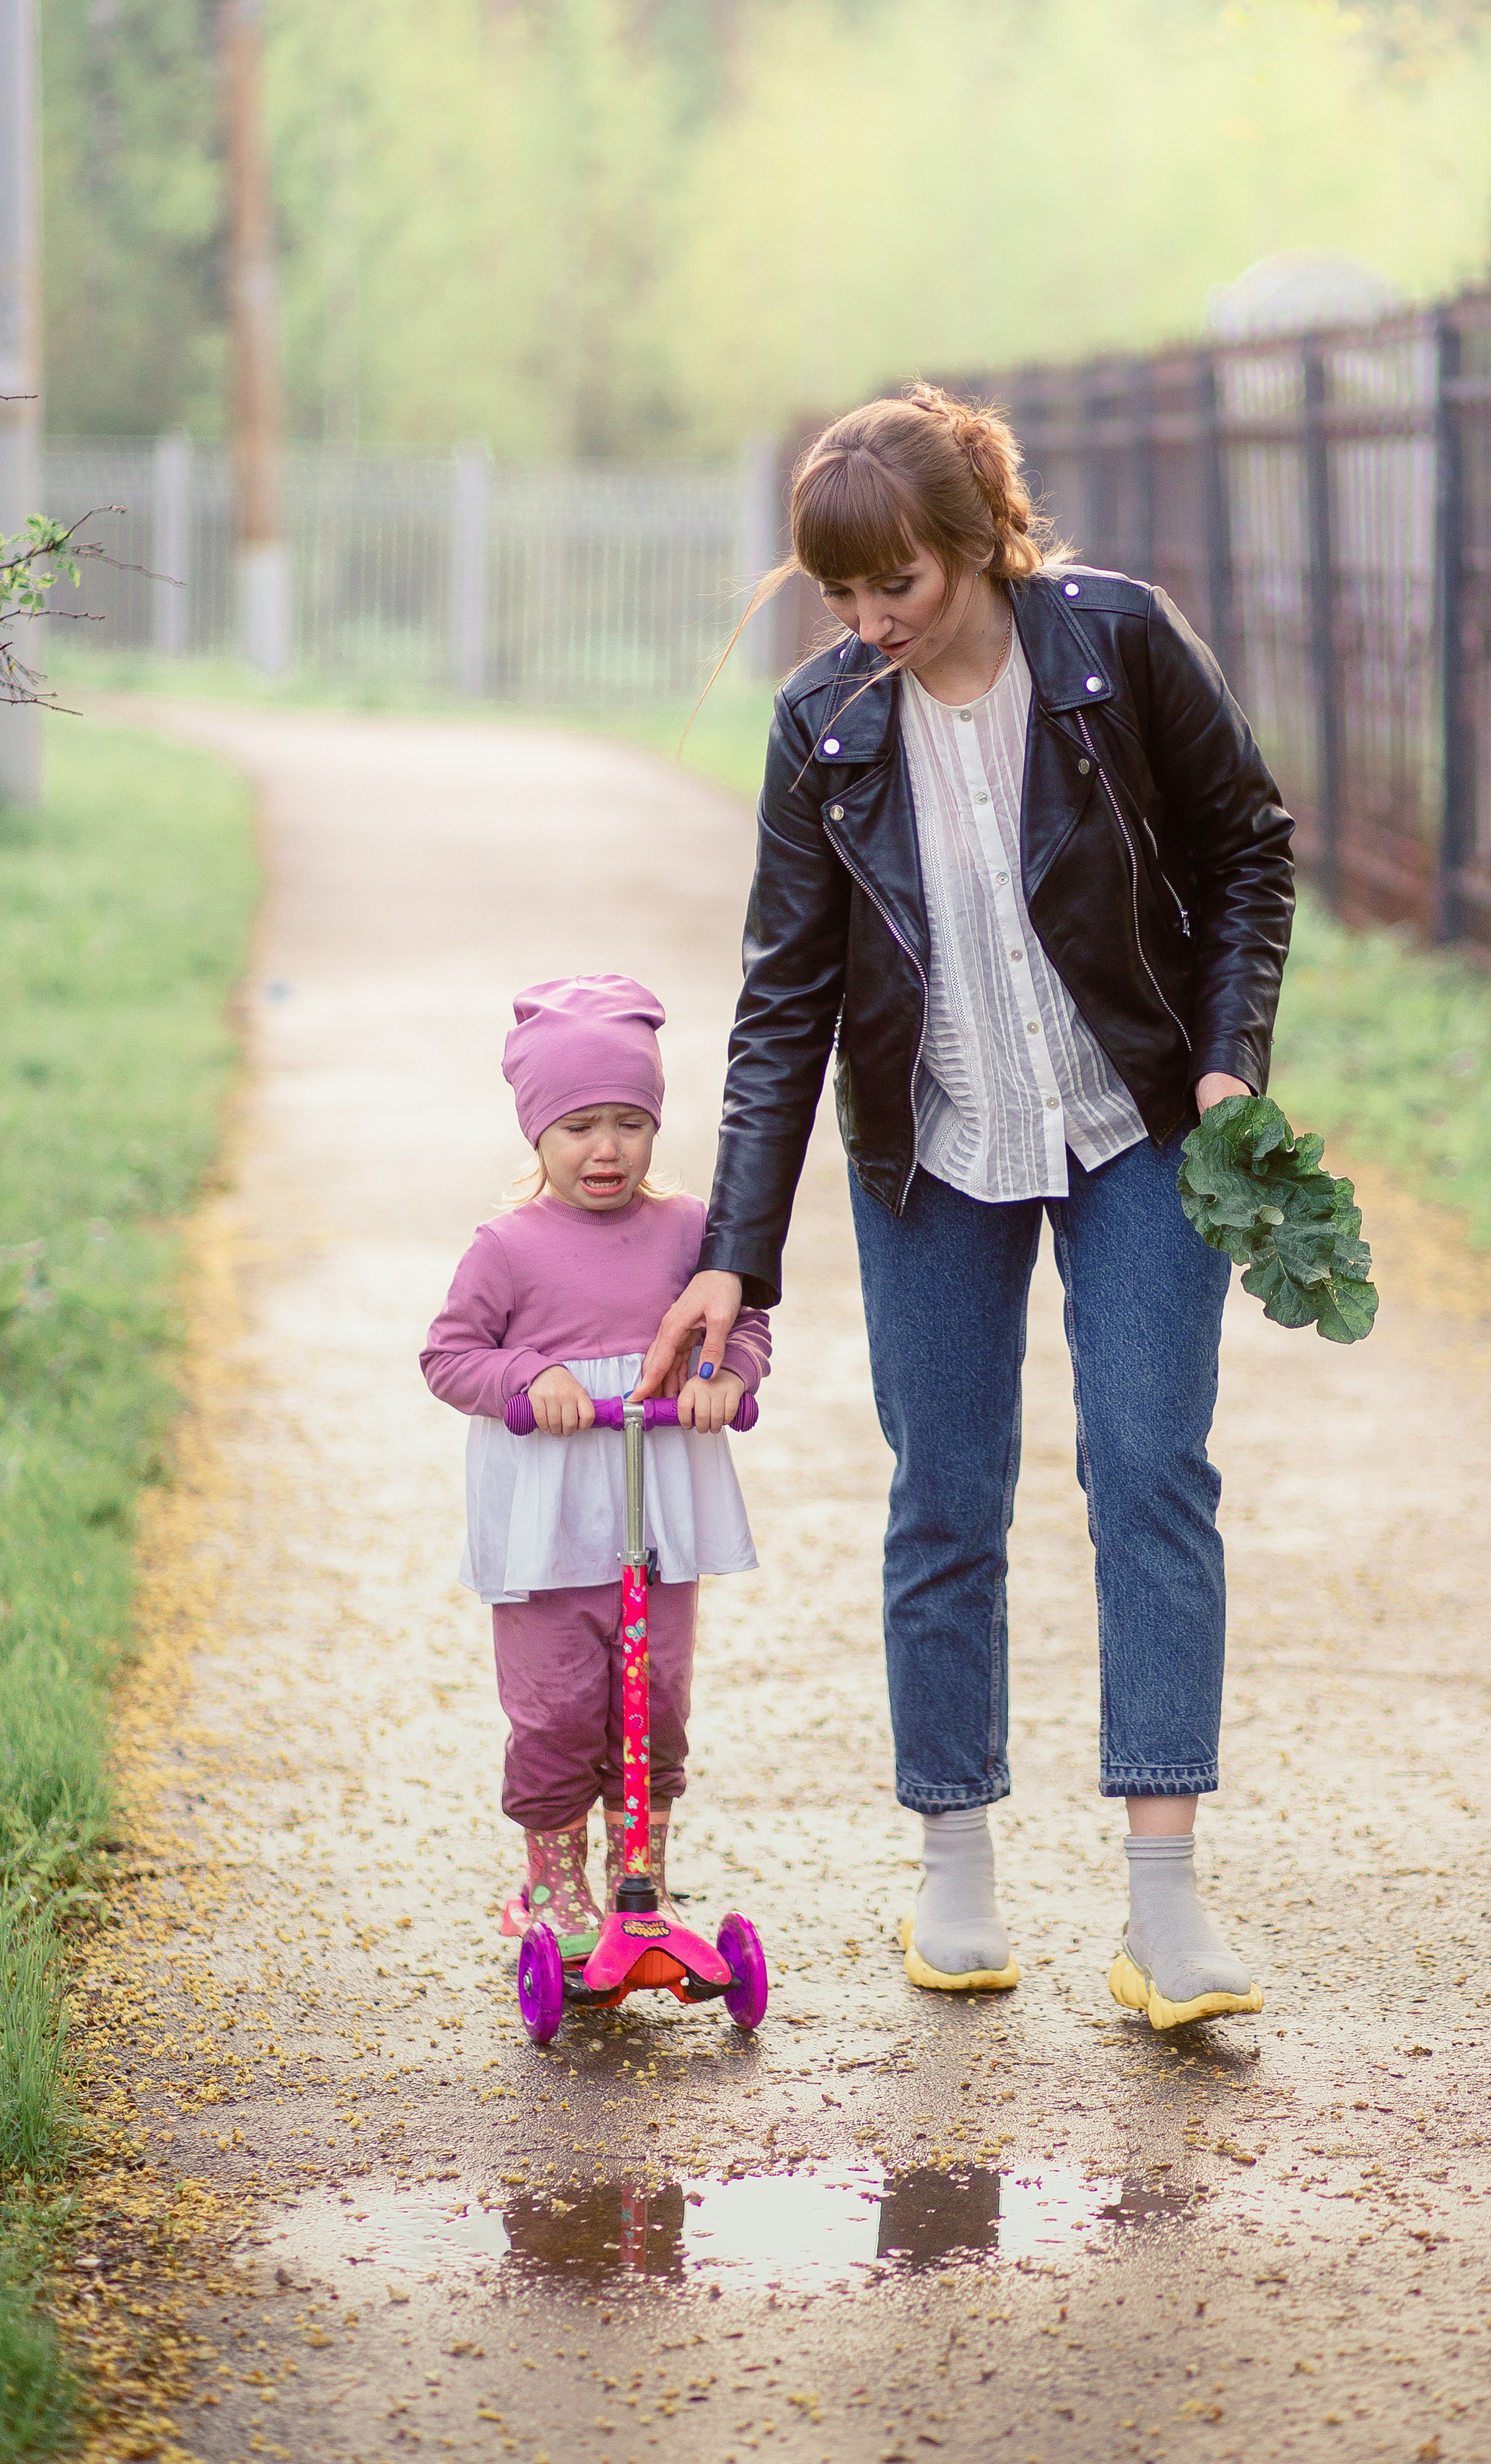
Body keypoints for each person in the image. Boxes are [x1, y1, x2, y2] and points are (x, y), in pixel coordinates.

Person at [639, 386, 1295, 2032]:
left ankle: (1164, 1911)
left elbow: (1245, 853)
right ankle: (958, 1872)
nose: (867, 627)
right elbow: (782, 999)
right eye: (839, 597)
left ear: (980, 542)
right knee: (946, 1496)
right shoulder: (822, 723)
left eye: (898, 591)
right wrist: (735, 1252)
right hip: (929, 1147)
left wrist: (1225, 1063)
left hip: (1137, 1121)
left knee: (1150, 1471)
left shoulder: (1115, 648)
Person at [421, 973, 771, 1965]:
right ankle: (554, 1877)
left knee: (654, 1700)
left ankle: (641, 1876)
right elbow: (448, 1357)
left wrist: (724, 1377)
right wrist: (532, 1381)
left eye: (628, 1121)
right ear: (537, 1133)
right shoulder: (508, 1248)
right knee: (557, 1709)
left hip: (653, 1513)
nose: (606, 1148)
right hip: (547, 1522)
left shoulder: (686, 1232)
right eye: (578, 1126)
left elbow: (744, 1324)